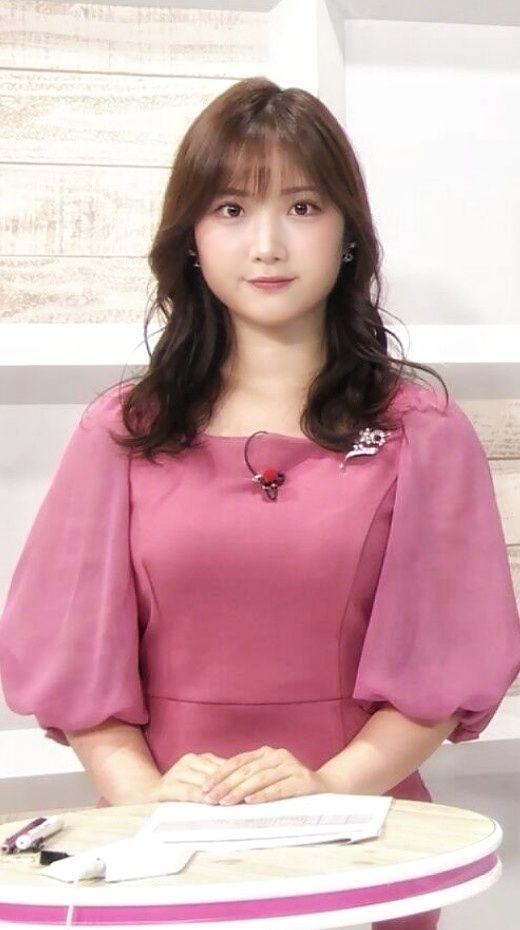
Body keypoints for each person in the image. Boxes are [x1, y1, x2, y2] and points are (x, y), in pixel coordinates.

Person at [1, 77, 519, 930]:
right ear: (191, 238)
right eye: (232, 209)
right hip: (158, 848)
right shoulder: (122, 433)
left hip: (365, 839)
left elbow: (442, 667)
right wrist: (146, 799)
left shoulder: (420, 432)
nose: (268, 244)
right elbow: (75, 668)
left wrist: (326, 789)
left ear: (348, 235)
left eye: (303, 207)